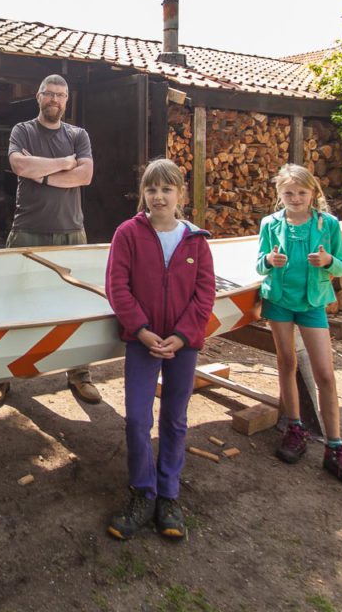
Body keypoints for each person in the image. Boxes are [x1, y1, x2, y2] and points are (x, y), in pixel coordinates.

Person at [104, 159, 216, 540]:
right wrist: (142, 330)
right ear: (144, 194)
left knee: (174, 417)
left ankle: (168, 495)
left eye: (167, 189)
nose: (159, 196)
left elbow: (205, 294)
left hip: (183, 345)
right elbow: (117, 287)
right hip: (142, 342)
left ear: (180, 195)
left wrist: (183, 336)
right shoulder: (128, 234)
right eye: (152, 189)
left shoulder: (196, 240)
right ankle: (142, 492)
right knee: (137, 418)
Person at [0, 74, 100, 407]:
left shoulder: (79, 135)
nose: (55, 100)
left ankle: (79, 375)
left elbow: (86, 175)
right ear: (38, 96)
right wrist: (64, 165)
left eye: (60, 95)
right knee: (12, 305)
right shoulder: (23, 131)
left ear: (67, 100)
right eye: (49, 94)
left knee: (78, 305)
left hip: (71, 231)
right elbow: (19, 165)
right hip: (27, 230)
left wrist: (44, 174)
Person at [257, 163, 342, 494]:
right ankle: (295, 428)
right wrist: (268, 263)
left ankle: (335, 447)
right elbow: (260, 260)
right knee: (286, 363)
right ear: (279, 194)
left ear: (313, 194)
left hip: (312, 304)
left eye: (301, 192)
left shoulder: (328, 225)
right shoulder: (270, 223)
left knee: (325, 374)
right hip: (278, 301)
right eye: (288, 193)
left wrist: (327, 263)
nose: (295, 198)